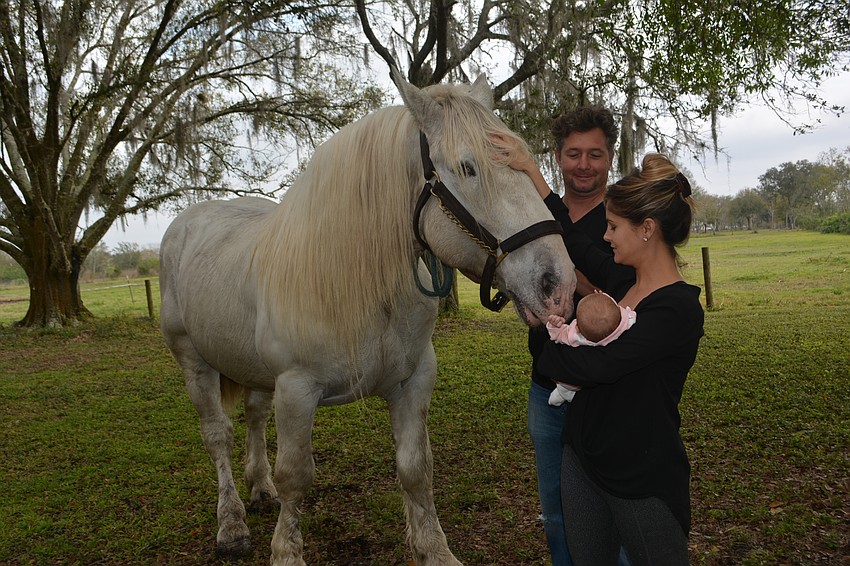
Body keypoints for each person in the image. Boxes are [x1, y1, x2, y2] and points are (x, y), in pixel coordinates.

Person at [511, 147, 704, 565]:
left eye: (614, 226)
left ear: (647, 229)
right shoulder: (621, 282)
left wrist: (548, 342)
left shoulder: (676, 309)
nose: (606, 235)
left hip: (640, 475)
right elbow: (575, 240)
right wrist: (532, 173)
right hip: (581, 461)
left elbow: (595, 367)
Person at [522, 107, 634, 566]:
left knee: (621, 508)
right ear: (558, 156)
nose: (583, 164)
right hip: (548, 384)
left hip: (614, 390)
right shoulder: (530, 214)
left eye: (595, 154)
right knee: (557, 513)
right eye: (573, 154)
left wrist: (585, 291)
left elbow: (628, 295)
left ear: (610, 157)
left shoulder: (625, 217)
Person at [545, 291, 637, 406]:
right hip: (595, 385)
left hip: (573, 379)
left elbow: (557, 336)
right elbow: (618, 310)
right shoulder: (623, 325)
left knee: (565, 385)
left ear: (577, 327)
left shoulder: (577, 337)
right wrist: (604, 297)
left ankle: (562, 394)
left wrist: (554, 325)